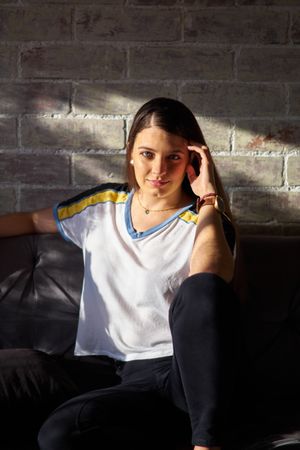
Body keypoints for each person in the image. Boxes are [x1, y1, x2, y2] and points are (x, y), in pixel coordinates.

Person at [0, 97, 238, 450]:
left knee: (58, 436)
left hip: (167, 377)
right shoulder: (102, 206)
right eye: (147, 154)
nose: (158, 169)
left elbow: (208, 280)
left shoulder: (207, 224)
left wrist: (209, 200)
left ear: (193, 160)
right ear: (129, 152)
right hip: (96, 371)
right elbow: (33, 220)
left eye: (174, 156)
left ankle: (206, 442)